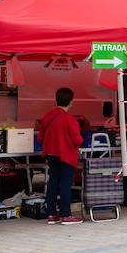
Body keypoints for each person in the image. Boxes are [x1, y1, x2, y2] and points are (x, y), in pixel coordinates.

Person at [36, 87, 83, 225]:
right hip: (66, 155)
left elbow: (40, 139)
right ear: (70, 101)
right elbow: (77, 140)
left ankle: (51, 214)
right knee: (65, 185)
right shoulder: (70, 119)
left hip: (51, 154)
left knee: (52, 183)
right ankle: (66, 215)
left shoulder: (47, 117)